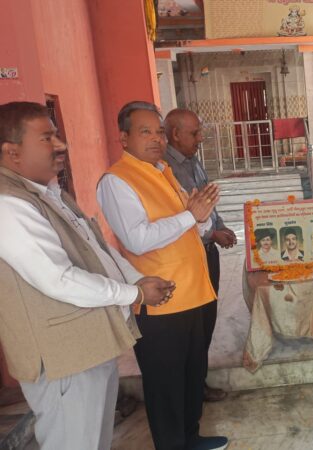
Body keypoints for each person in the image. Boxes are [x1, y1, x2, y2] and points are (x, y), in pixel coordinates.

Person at [0, 101, 174, 450]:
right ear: (12, 152)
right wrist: (134, 295)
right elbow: (58, 279)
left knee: (94, 441)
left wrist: (134, 280)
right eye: (47, 138)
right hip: (64, 358)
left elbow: (96, 247)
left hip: (89, 346)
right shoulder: (9, 204)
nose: (61, 144)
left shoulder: (48, 193)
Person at [97, 101, 228, 450]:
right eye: (146, 132)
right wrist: (190, 217)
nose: (156, 139)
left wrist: (203, 219)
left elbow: (191, 225)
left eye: (158, 132)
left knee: (191, 375)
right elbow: (137, 239)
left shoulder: (163, 171)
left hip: (193, 291)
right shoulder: (117, 180)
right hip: (161, 299)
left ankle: (190, 438)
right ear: (124, 138)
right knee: (165, 383)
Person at [164, 108, 237, 403]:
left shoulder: (193, 160)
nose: (200, 138)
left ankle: (198, 382)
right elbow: (177, 218)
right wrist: (211, 234)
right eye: (194, 133)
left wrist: (220, 226)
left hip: (208, 254)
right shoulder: (165, 169)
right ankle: (190, 388)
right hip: (187, 258)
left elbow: (206, 204)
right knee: (192, 327)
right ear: (175, 134)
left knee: (206, 320)